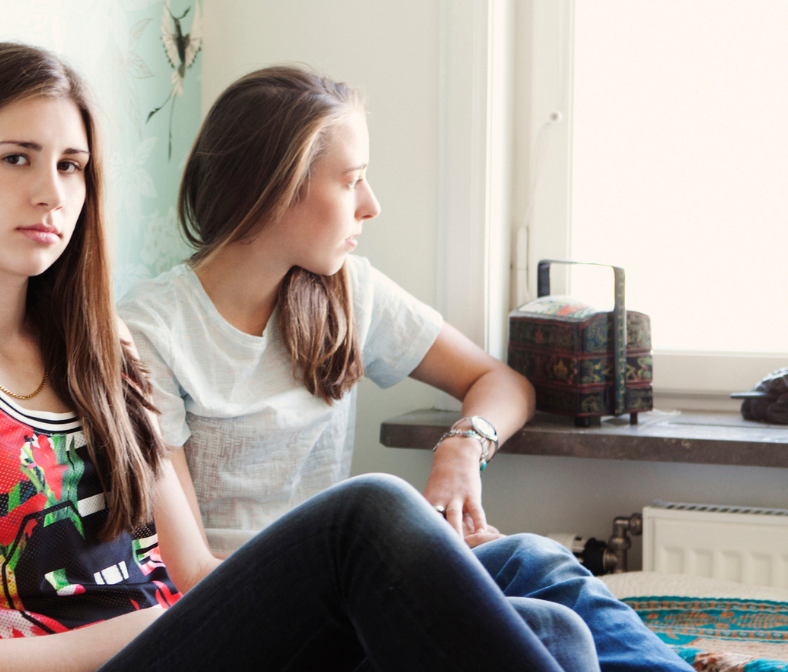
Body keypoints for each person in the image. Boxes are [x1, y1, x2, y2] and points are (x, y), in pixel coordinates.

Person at [0, 42, 600, 672]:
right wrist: (167, 629)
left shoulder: (104, 348)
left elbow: (182, 567)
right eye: (16, 159)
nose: (50, 193)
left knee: (551, 630)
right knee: (370, 514)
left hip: (191, 643)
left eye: (70, 165)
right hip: (119, 657)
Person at [117, 66, 692, 672]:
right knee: (535, 623)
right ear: (272, 188)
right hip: (250, 621)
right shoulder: (151, 332)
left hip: (349, 583)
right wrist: (412, 576)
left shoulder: (345, 293)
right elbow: (191, 574)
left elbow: (501, 383)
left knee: (535, 566)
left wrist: (461, 448)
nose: (372, 204)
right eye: (352, 181)